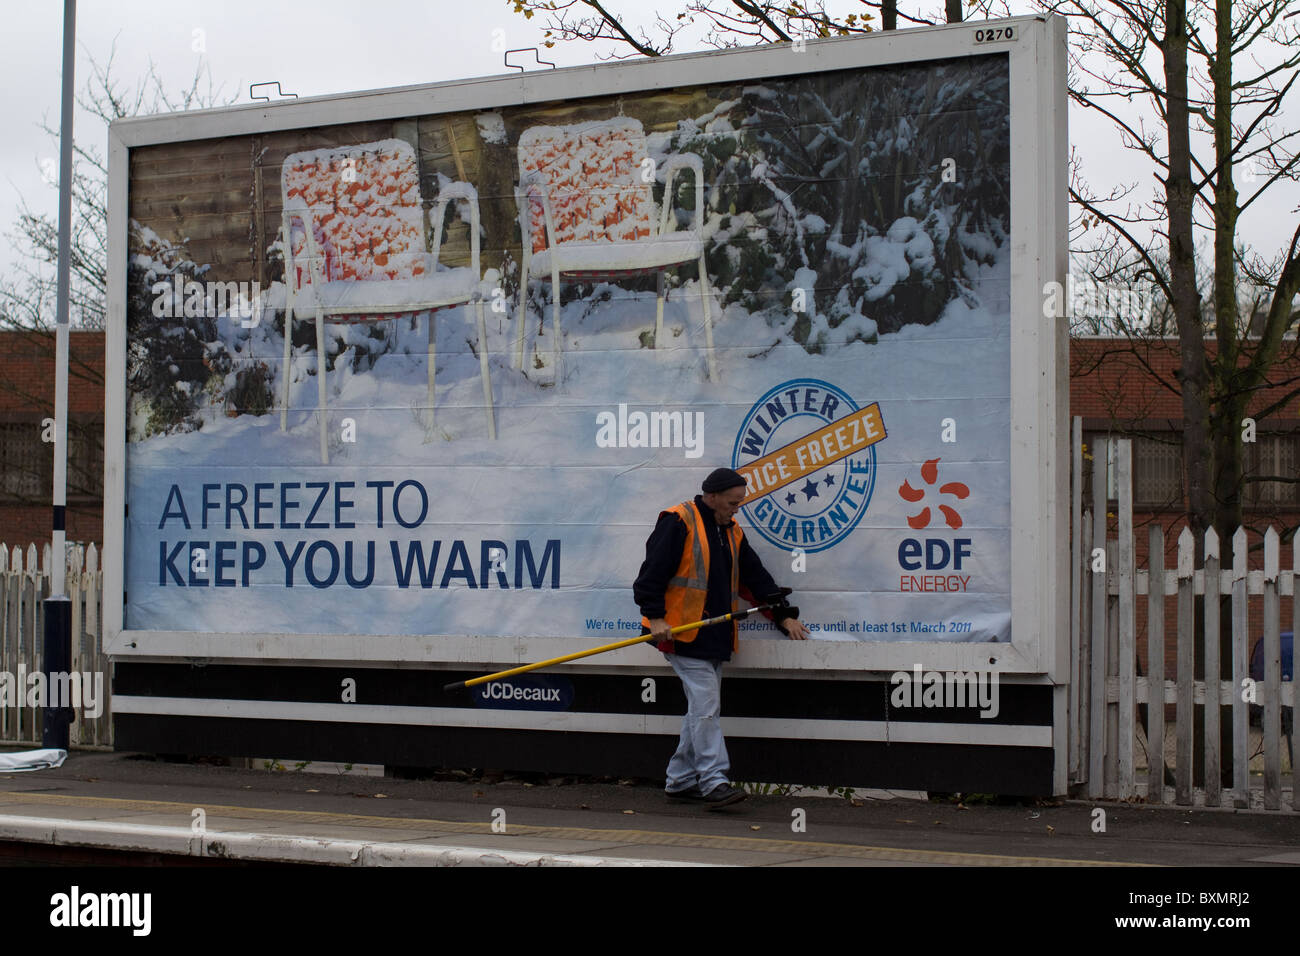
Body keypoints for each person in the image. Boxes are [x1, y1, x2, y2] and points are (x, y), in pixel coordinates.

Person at [634, 467, 810, 809]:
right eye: (733, 502)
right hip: (681, 634)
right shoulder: (678, 521)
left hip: (713, 636)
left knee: (700, 708)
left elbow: (756, 579)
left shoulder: (731, 531)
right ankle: (714, 780)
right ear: (711, 496)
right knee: (706, 705)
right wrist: (655, 617)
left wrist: (784, 615)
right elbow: (650, 576)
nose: (737, 508)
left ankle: (681, 779)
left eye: (740, 502)